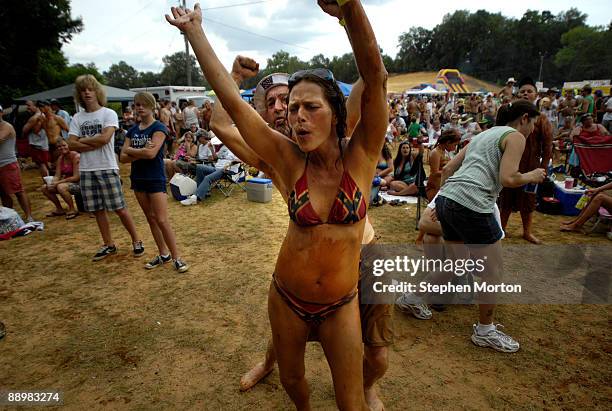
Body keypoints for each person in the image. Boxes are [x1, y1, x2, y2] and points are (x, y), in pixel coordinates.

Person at [166, 1, 387, 409]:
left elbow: (375, 77)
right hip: (287, 297)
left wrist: (350, 10)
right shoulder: (285, 158)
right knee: (293, 381)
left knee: (350, 399)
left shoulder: (362, 154)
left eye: (310, 107)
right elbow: (233, 106)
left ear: (336, 114)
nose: (296, 117)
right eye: (293, 108)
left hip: (341, 303)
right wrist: (195, 32)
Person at [417, 100, 545, 352]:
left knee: (457, 263)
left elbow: (449, 168)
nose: (532, 129)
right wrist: (533, 175)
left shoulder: (483, 134)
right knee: (493, 271)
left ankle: (412, 298)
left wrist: (441, 200)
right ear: (524, 118)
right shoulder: (516, 136)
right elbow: (507, 178)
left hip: (450, 198)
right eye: (533, 123)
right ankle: (485, 330)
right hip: (474, 203)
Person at [67, 74, 144, 261]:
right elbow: (71, 144)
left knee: (119, 208)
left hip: (107, 167)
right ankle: (109, 244)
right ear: (79, 94)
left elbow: (104, 139)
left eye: (90, 89)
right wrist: (92, 141)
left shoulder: (108, 113)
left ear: (97, 91)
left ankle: (136, 240)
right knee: (97, 210)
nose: (87, 93)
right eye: (83, 90)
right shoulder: (77, 117)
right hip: (86, 170)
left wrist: (82, 141)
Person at [120, 92, 188, 272]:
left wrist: (132, 151)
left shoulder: (159, 127)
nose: (139, 108)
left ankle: (177, 257)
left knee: (162, 219)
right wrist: (141, 150)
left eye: (143, 104)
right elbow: (122, 158)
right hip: (138, 179)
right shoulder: (133, 130)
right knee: (150, 219)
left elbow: (151, 154)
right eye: (136, 105)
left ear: (151, 106)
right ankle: (163, 253)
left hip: (155, 178)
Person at [499, 77, 553, 244]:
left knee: (528, 202)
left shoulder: (541, 119)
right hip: (511, 163)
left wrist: (543, 169)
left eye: (529, 91)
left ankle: (527, 232)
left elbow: (548, 145)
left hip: (531, 167)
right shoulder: (511, 116)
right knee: (505, 199)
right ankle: (501, 230)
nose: (525, 94)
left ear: (536, 94)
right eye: (522, 91)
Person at [0, 105, 33, 222]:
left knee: (18, 191)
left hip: (8, 164)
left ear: (1, 113)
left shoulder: (6, 126)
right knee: (3, 194)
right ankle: (8, 218)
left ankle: (29, 216)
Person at [41, 139, 81, 219]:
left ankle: (72, 209)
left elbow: (76, 177)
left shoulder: (76, 156)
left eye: (64, 145)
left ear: (69, 146)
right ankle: (59, 209)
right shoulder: (61, 158)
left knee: (61, 187)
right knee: (45, 188)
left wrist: (58, 182)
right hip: (67, 182)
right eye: (59, 147)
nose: (62, 148)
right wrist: (52, 182)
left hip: (79, 184)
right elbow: (57, 175)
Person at [23, 100, 50, 178]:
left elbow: (25, 130)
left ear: (35, 106)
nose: (27, 108)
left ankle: (47, 183)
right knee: (43, 164)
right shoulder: (41, 115)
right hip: (41, 144)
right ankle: (48, 183)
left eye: (29, 105)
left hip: (38, 145)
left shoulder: (36, 116)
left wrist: (27, 128)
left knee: (42, 165)